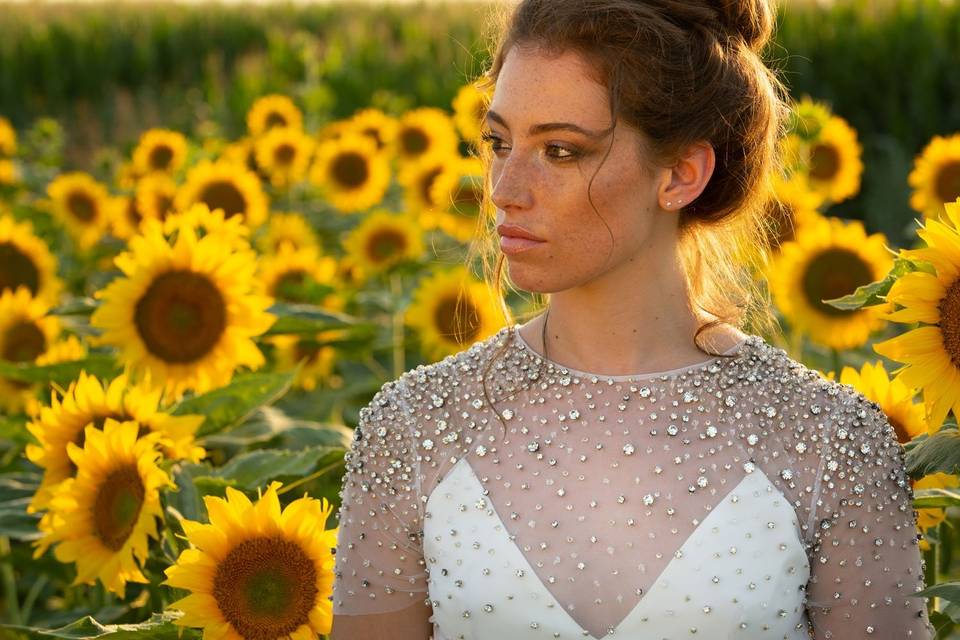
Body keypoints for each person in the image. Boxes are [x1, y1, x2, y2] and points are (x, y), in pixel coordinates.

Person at [330, 0, 935, 638]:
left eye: (560, 151)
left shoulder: (830, 441)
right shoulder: (412, 428)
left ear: (681, 174)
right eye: (498, 142)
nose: (504, 189)